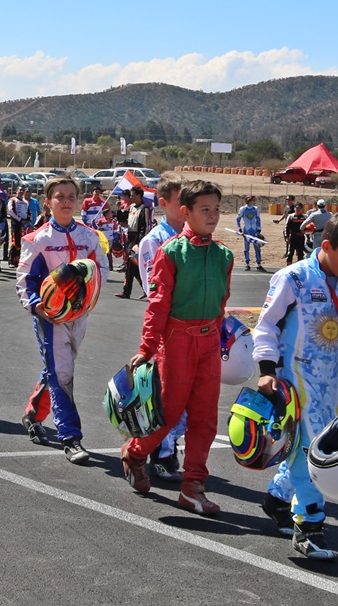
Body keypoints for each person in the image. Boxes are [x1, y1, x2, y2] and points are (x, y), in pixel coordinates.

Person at [254, 212, 338, 560]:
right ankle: (309, 525)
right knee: (312, 450)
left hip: (331, 377)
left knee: (312, 443)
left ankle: (277, 498)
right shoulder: (294, 278)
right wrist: (266, 369)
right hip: (294, 376)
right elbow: (267, 325)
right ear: (326, 246)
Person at [121, 180, 234, 515]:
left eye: (216, 209)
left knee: (205, 418)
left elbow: (222, 302)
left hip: (209, 342)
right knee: (169, 414)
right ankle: (135, 454)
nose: (212, 215)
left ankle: (193, 487)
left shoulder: (224, 255)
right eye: (205, 209)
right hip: (176, 341)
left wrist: (220, 338)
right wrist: (147, 347)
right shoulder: (170, 252)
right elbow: (157, 304)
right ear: (185, 212)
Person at [16, 176, 108, 463]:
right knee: (63, 372)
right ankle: (70, 436)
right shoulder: (37, 239)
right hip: (51, 319)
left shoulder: (89, 236)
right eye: (60, 197)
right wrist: (36, 306)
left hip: (80, 316)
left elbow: (102, 269)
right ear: (48, 202)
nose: (66, 201)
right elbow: (25, 279)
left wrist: (88, 290)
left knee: (57, 369)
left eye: (71, 197)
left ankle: (33, 414)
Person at [135, 178, 187, 480]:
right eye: (180, 201)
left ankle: (169, 446)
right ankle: (159, 451)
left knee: (188, 392)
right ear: (163, 203)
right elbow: (152, 289)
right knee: (166, 390)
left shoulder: (197, 236)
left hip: (196, 328)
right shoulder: (153, 241)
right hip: (168, 327)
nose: (186, 207)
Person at [115, 187, 150, 299]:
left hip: (137, 238)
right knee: (133, 267)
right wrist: (119, 209)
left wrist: (139, 243)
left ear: (139, 196)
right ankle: (146, 288)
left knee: (130, 265)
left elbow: (145, 227)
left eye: (133, 195)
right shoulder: (131, 207)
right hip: (129, 237)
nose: (131, 197)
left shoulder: (144, 209)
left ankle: (126, 291)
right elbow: (122, 219)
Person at [7, 186, 34, 267]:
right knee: (15, 241)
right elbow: (11, 211)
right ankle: (11, 260)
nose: (21, 192)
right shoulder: (12, 200)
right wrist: (20, 220)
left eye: (23, 190)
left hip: (24, 224)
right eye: (20, 190)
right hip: (16, 223)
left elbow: (29, 212)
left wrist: (28, 219)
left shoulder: (25, 202)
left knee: (23, 241)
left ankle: (19, 260)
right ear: (16, 191)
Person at [237, 195, 265, 271]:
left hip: (254, 231)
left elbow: (258, 219)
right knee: (246, 248)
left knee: (257, 247)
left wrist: (259, 229)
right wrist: (240, 230)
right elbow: (238, 219)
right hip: (246, 231)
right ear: (249, 201)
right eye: (253, 200)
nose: (254, 201)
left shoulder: (255, 209)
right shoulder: (243, 209)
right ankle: (247, 264)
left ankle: (259, 264)